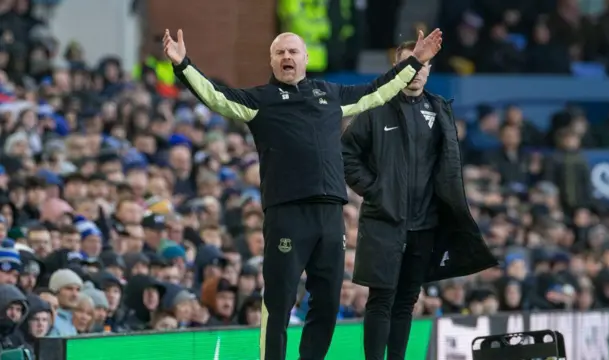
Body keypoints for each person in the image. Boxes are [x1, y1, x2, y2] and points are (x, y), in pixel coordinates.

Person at [163, 28, 442, 360]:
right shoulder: (259, 100)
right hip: (287, 215)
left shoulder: (330, 94)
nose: (287, 58)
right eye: (280, 53)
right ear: (271, 60)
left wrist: (413, 62)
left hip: (329, 216)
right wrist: (183, 65)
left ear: (306, 59)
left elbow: (378, 91)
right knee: (279, 302)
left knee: (326, 304)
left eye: (293, 52)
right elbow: (214, 95)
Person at [341, 40, 498, 360]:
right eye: (406, 65)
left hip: (425, 222)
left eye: (421, 64)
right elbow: (345, 154)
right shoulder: (374, 108)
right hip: (384, 219)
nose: (414, 71)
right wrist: (375, 190)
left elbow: (448, 166)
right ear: (395, 70)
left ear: (429, 69)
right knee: (381, 299)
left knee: (407, 300)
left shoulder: (439, 109)